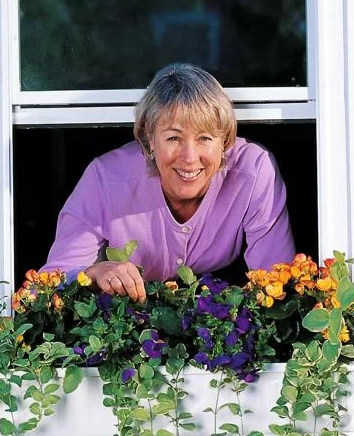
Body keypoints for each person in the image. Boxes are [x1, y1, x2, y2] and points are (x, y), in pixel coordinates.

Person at [40, 63, 296, 302]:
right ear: (150, 139)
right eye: (174, 138)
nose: (189, 157)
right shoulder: (105, 179)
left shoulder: (254, 171)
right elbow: (46, 286)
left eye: (205, 138)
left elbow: (277, 283)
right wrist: (95, 274)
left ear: (225, 141)